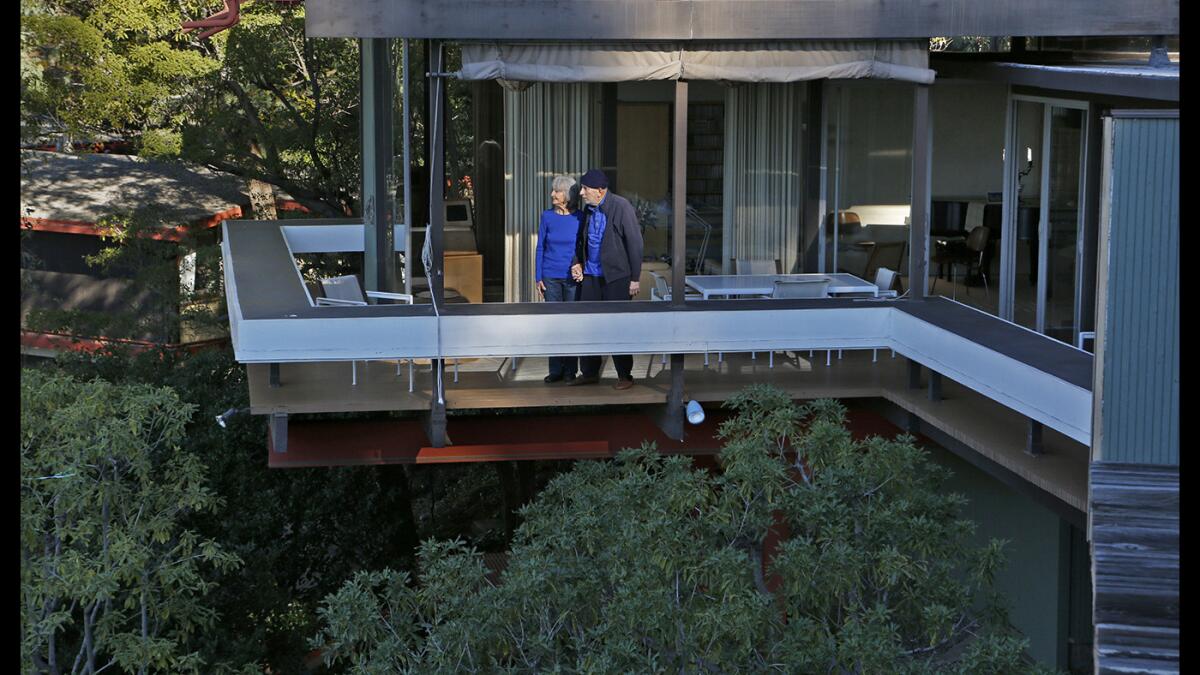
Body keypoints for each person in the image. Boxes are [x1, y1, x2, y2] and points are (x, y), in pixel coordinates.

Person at [568, 169, 643, 390]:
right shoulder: (589, 209)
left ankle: (624, 375)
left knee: (617, 326)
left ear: (600, 191)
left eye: (585, 189)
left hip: (617, 277)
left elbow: (635, 243)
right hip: (591, 275)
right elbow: (581, 240)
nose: (581, 193)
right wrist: (577, 262)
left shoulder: (621, 207)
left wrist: (635, 278)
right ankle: (590, 372)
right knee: (588, 324)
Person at [535, 175, 585, 383]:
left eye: (557, 191)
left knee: (570, 324)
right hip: (551, 276)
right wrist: (538, 276)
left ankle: (570, 370)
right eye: (553, 190)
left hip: (573, 278)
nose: (552, 194)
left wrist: (581, 264)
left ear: (568, 195)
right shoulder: (547, 216)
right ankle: (555, 369)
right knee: (554, 324)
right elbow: (540, 247)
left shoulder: (580, 217)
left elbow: (585, 245)